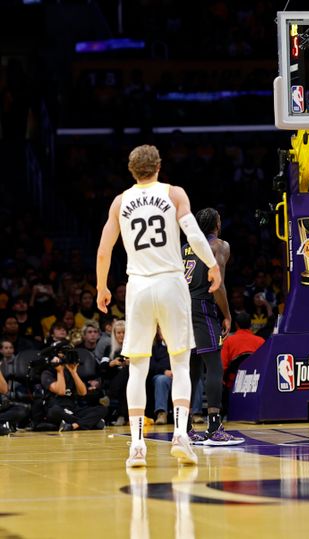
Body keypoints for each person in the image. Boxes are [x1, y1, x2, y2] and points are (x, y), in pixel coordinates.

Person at [95, 144, 221, 468]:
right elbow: (193, 233)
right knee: (180, 363)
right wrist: (212, 264)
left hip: (137, 284)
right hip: (170, 281)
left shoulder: (120, 202)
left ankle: (137, 444)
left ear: (131, 169)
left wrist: (101, 286)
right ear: (159, 166)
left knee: (137, 366)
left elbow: (104, 249)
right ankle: (180, 434)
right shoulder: (173, 193)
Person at [182, 208, 241, 446]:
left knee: (192, 370)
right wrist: (226, 314)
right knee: (214, 366)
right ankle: (215, 428)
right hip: (202, 307)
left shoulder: (184, 247)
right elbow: (217, 284)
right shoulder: (220, 245)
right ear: (217, 223)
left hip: (182, 308)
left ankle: (184, 428)